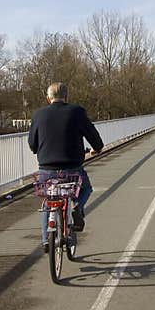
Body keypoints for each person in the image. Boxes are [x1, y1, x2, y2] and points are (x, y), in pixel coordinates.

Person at [28, 82, 104, 252]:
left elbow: (32, 144)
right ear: (66, 97)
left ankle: (45, 240)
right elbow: (95, 138)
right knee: (86, 189)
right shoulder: (76, 112)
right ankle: (77, 208)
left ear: (48, 98)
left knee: (49, 200)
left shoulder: (38, 115)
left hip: (47, 170)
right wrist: (96, 149)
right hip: (72, 169)